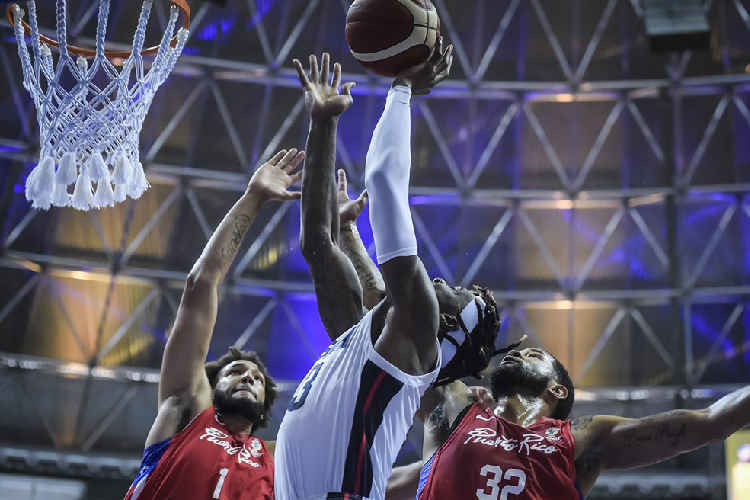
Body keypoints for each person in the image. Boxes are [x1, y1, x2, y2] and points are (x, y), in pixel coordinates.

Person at [273, 42, 500, 500]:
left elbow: (383, 181)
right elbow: (318, 241)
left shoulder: (420, 325)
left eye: (456, 292)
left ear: (451, 327)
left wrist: (403, 89)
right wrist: (323, 122)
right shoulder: (373, 347)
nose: (442, 281)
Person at [123, 148, 305, 500]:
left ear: (267, 403)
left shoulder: (278, 458)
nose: (249, 377)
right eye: (236, 371)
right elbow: (200, 284)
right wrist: (254, 198)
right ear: (210, 385)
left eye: (256, 379)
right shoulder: (186, 410)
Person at [387, 347, 750, 500]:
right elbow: (398, 332)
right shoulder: (458, 410)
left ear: (557, 388)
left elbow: (711, 422)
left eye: (533, 354)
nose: (515, 352)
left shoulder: (582, 438)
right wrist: (345, 233)